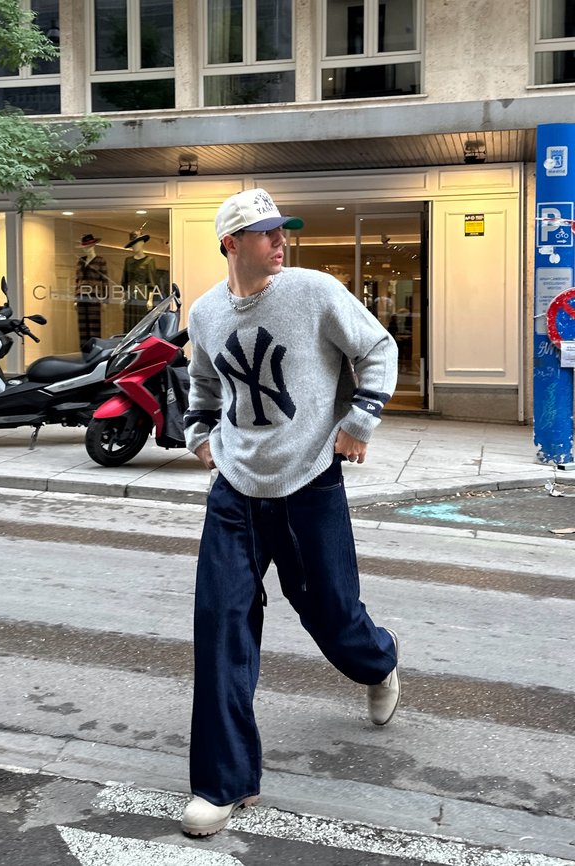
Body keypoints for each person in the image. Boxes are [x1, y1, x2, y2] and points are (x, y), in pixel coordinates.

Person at [181, 188, 400, 837]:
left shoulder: (314, 292)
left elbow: (378, 347)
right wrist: (199, 437)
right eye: (266, 232)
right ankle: (224, 784)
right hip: (235, 491)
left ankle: (379, 662)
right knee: (220, 625)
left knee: (332, 614)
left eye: (283, 230)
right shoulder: (206, 312)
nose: (280, 241)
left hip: (309, 482)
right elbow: (204, 383)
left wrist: (359, 422)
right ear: (231, 243)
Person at [74, 234, 109, 350]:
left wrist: (105, 300)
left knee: (94, 328)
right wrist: (75, 298)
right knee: (83, 328)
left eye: (89, 246)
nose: (87, 249)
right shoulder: (80, 261)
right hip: (81, 298)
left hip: (94, 298)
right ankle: (84, 352)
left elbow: (105, 281)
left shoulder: (100, 261)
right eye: (85, 247)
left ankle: (95, 352)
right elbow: (77, 281)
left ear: (93, 245)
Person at [121, 228, 158, 331]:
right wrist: (123, 298)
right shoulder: (128, 261)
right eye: (133, 244)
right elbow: (124, 281)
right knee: (129, 325)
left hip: (142, 297)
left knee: (141, 325)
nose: (134, 246)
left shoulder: (149, 261)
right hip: (129, 298)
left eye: (136, 243)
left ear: (142, 243)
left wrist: (150, 300)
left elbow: (152, 283)